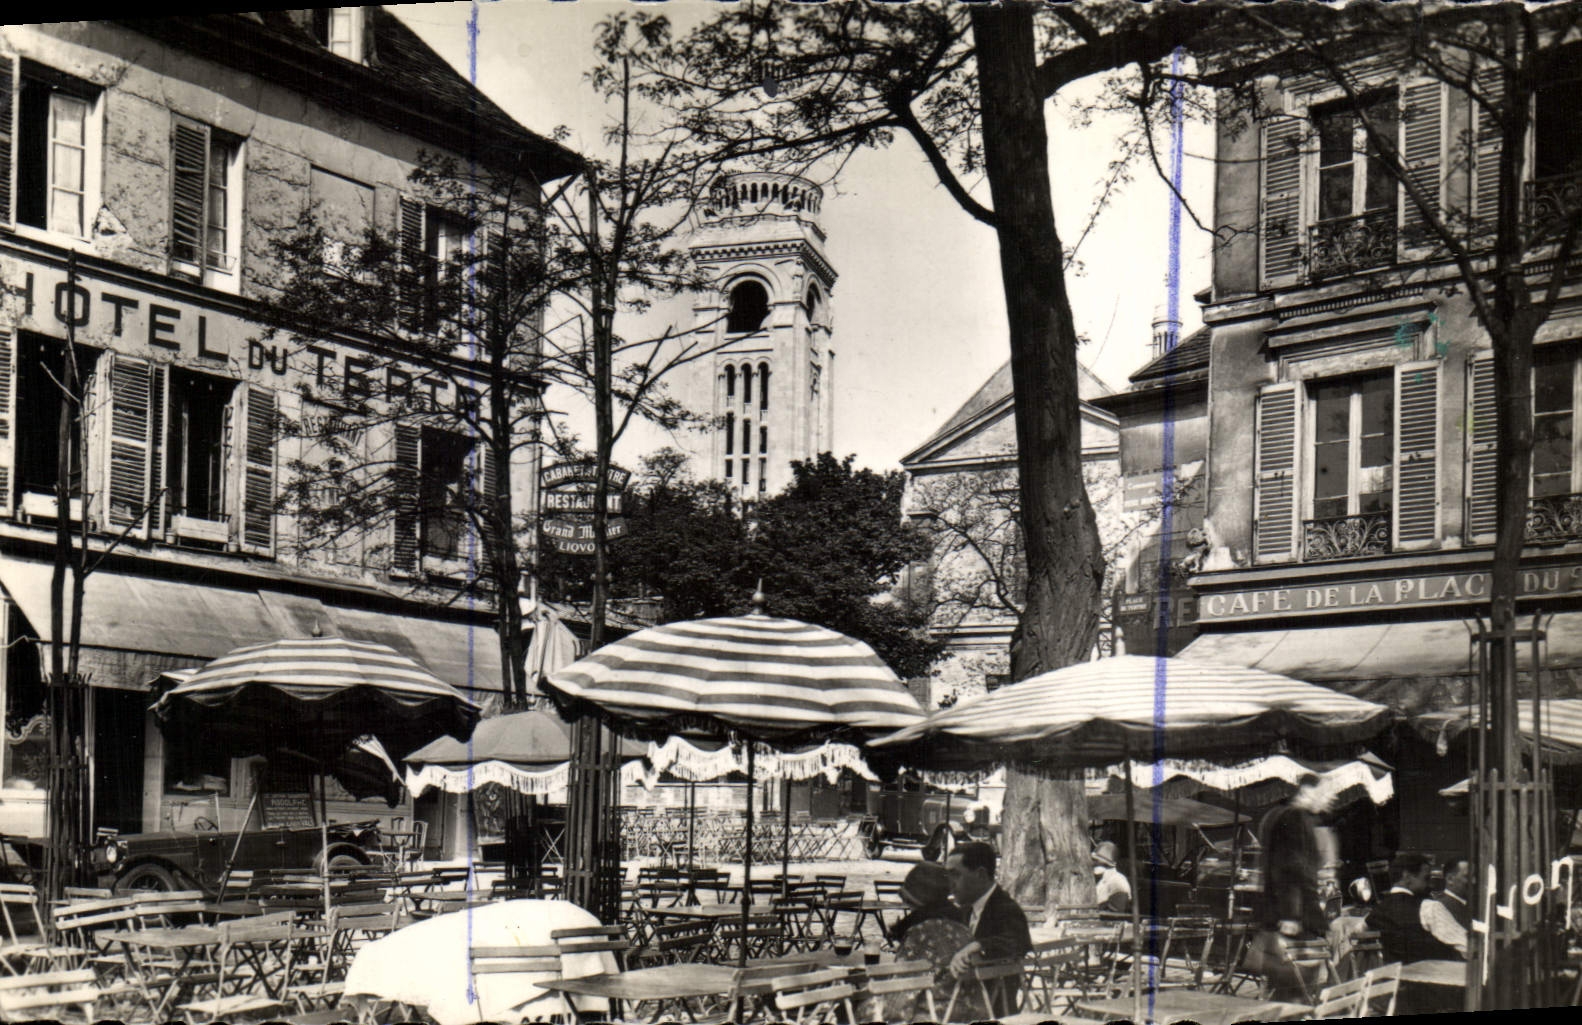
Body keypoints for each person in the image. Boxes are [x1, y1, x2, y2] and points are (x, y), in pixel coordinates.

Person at [1252, 774, 1335, 1001]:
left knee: (1286, 988)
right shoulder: (1295, 818)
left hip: (1280, 916)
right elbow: (1290, 869)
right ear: (1307, 791)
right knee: (1297, 990)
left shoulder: (1275, 815)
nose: (1330, 800)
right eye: (1327, 793)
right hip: (1295, 920)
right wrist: (1291, 915)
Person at [882, 862, 985, 1023]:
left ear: (915, 902)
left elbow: (899, 1000)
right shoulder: (962, 929)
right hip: (971, 1013)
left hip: (935, 1016)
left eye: (908, 902)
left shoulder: (921, 934)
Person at [945, 841, 1031, 1017]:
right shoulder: (968, 908)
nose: (950, 884)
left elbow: (1018, 942)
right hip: (965, 1001)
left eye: (956, 875)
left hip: (994, 1009)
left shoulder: (1006, 908)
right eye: (948, 876)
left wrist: (976, 946)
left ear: (981, 875)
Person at [1368, 852, 1466, 963]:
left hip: (1392, 976)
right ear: (1407, 876)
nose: (1431, 885)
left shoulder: (1374, 913)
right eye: (1426, 878)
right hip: (1430, 976)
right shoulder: (1429, 908)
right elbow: (1465, 944)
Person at [1433, 855, 1473, 933]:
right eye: (1467, 877)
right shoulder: (1440, 906)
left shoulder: (1465, 906)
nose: (1473, 881)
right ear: (1450, 879)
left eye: (1474, 877)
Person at [1092, 841, 1132, 913]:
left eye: (1095, 860)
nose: (1092, 863)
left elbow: (1117, 909)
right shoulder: (1097, 879)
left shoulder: (1118, 880)